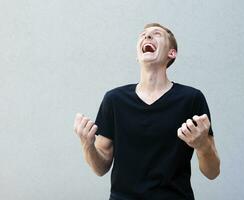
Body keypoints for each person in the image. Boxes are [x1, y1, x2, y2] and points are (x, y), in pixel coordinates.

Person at [73, 23, 220, 200]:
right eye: (143, 35)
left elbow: (212, 172)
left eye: (156, 34)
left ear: (171, 53)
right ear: (138, 55)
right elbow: (100, 168)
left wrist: (202, 145)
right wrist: (87, 145)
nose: (147, 37)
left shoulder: (191, 99)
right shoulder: (114, 100)